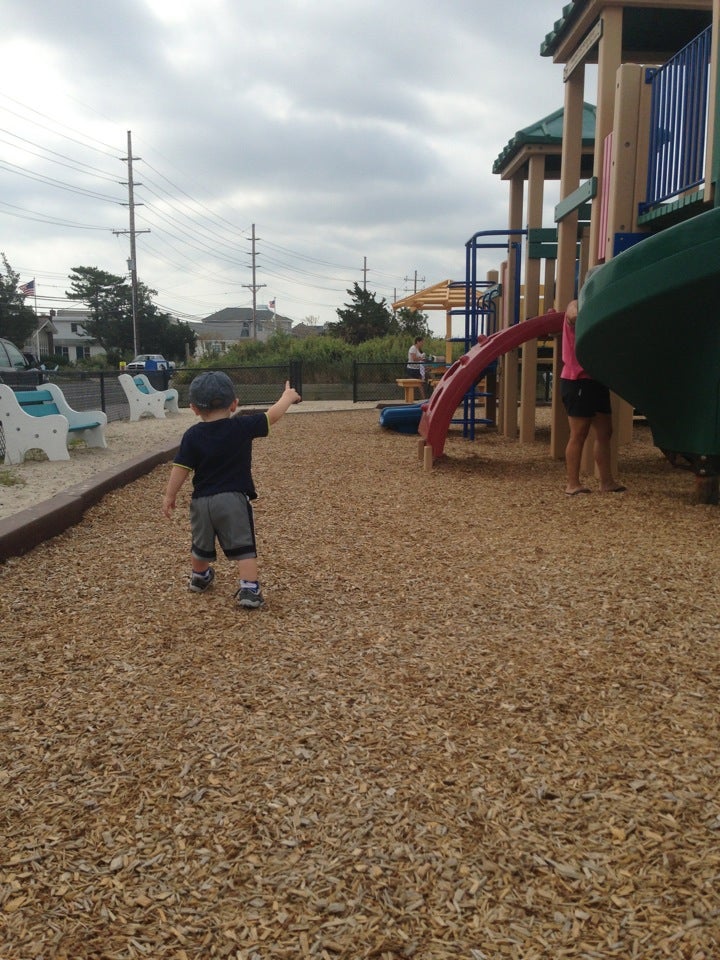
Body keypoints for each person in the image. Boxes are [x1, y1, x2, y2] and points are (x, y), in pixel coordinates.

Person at [162, 371, 301, 608]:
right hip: (232, 499)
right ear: (234, 404)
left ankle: (199, 577)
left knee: (200, 543)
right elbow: (271, 416)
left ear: (194, 408)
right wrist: (287, 397)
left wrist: (169, 495)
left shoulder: (192, 435)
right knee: (243, 545)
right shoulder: (241, 426)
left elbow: (181, 467)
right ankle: (249, 589)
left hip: (201, 502)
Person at [560, 295, 626, 496]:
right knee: (579, 433)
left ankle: (606, 481)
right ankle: (572, 484)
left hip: (596, 379)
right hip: (577, 379)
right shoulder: (576, 305)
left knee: (605, 431)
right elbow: (572, 315)